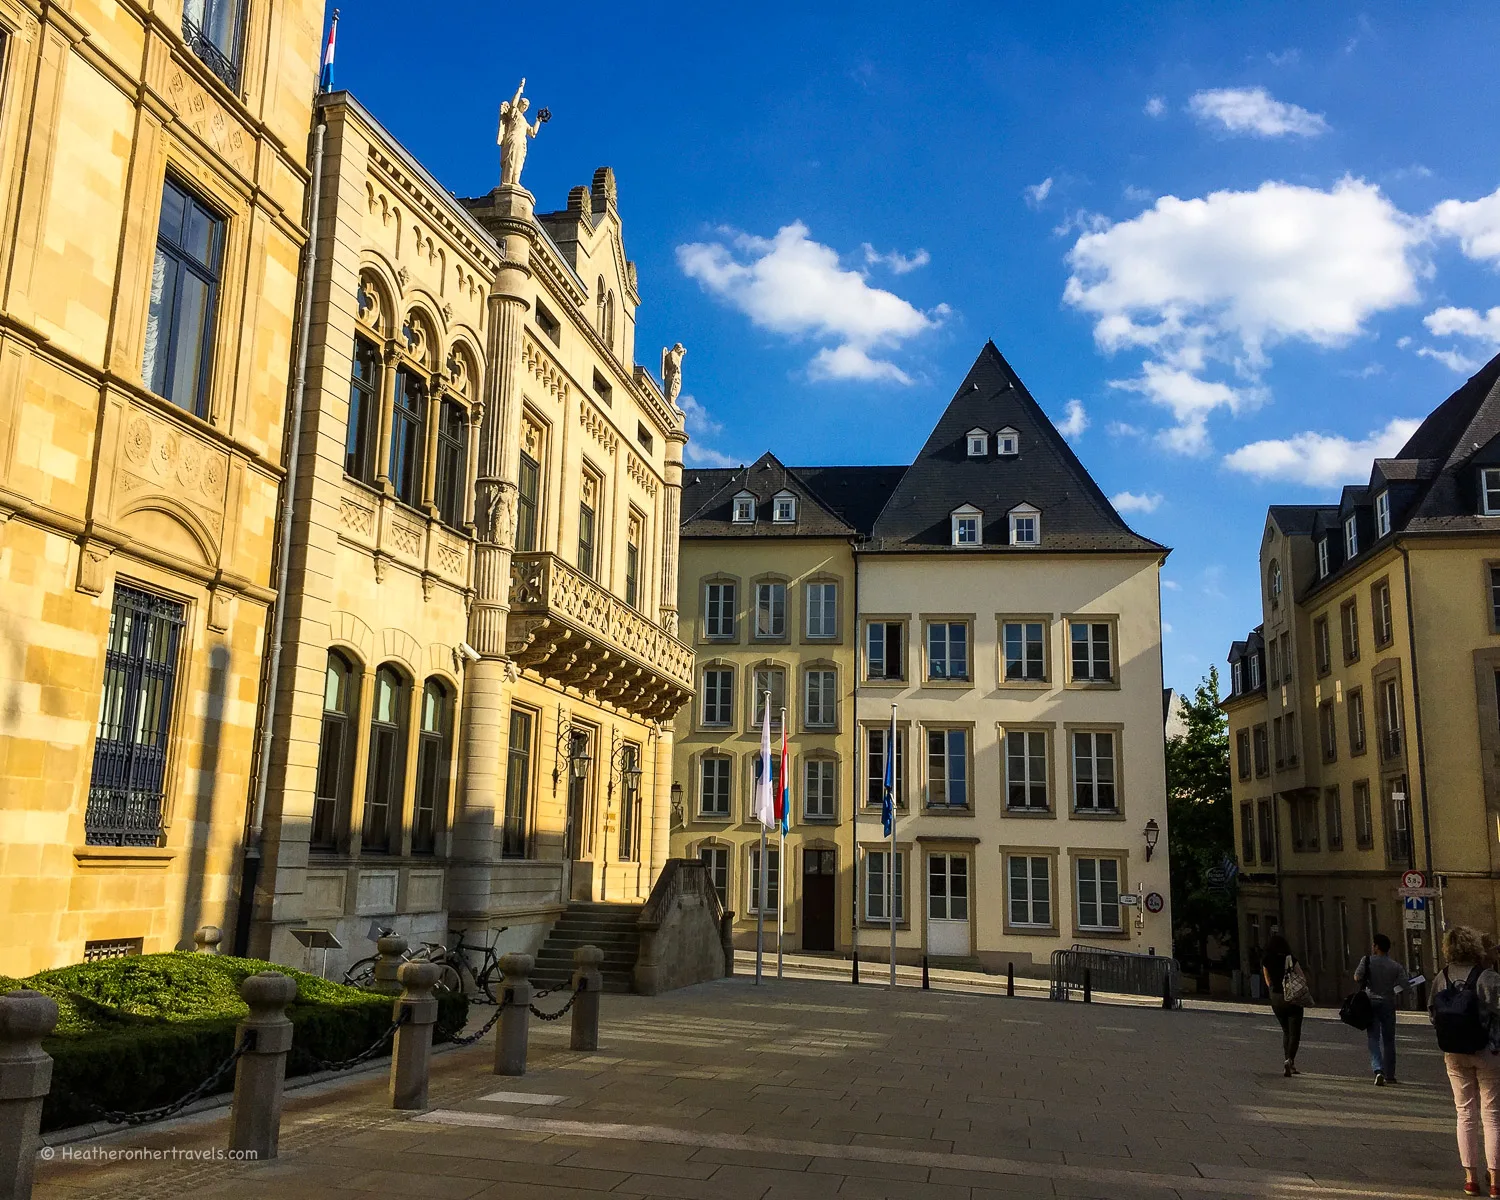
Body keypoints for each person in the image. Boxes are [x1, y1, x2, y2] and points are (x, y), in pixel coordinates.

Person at [1432, 925, 1500, 1197]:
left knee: (1465, 1113)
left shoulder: (1442, 976)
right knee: (1492, 1115)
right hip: (1488, 1050)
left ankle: (1470, 1178)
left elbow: (1432, 1013)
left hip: (1454, 1053)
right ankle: (1495, 1180)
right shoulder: (1488, 977)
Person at [1355, 933, 1407, 1085]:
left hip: (1370, 1002)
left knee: (1373, 1037)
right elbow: (1405, 984)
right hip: (1388, 1002)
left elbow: (1357, 977)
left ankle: (1378, 1070)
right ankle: (1390, 1074)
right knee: (1389, 1039)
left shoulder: (1367, 961)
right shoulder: (1395, 966)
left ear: (1376, 947)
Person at [1263, 930, 1304, 1077]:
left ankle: (1287, 1058)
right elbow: (1301, 976)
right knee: (1295, 1032)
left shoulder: (1267, 960)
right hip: (1292, 998)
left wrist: (1273, 991)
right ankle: (1290, 1060)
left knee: (1286, 1031)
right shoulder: (1290, 959)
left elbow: (1267, 979)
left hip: (1276, 998)